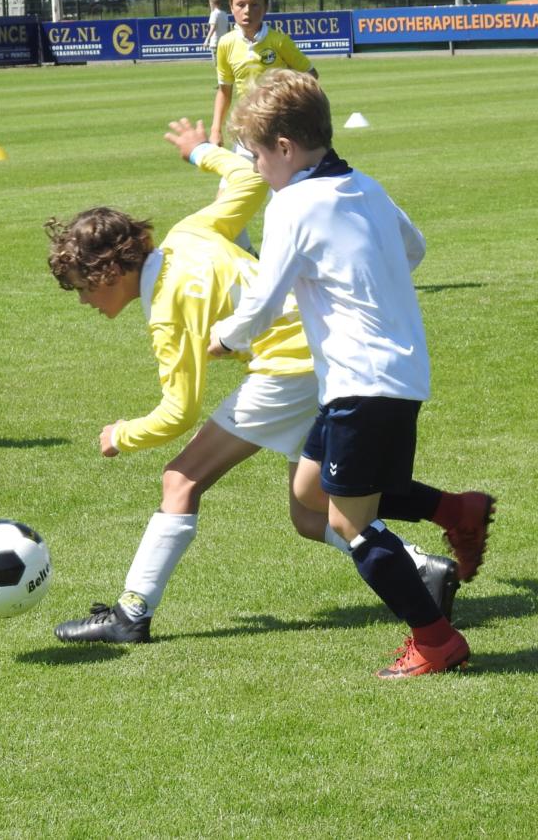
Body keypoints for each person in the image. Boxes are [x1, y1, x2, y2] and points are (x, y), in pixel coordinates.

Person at [47, 118, 494, 648]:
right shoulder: (189, 232)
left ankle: (130, 613)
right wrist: (200, 152)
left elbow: (179, 412)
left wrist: (123, 434)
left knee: (180, 479)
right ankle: (433, 544)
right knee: (309, 511)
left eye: (81, 289)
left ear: (107, 274)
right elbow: (249, 179)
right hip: (322, 353)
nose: (83, 302)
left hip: (285, 368)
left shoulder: (167, 312)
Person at [207, 70, 483, 678]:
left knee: (345, 521)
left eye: (255, 156)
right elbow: (414, 249)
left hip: (364, 383)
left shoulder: (294, 205)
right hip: (386, 377)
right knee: (311, 491)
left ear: (284, 148)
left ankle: (435, 640)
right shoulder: (365, 185)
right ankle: (456, 511)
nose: (254, 170)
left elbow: (261, 299)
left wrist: (223, 339)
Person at [210, 0, 318, 253]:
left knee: (284, 207)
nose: (247, 11)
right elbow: (224, 90)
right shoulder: (226, 44)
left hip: (281, 138)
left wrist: (289, 103)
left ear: (265, 8)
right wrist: (215, 130)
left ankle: (290, 266)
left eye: (254, 5)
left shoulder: (279, 42)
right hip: (246, 136)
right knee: (226, 203)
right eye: (241, 4)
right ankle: (251, 258)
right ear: (231, 7)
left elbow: (310, 76)